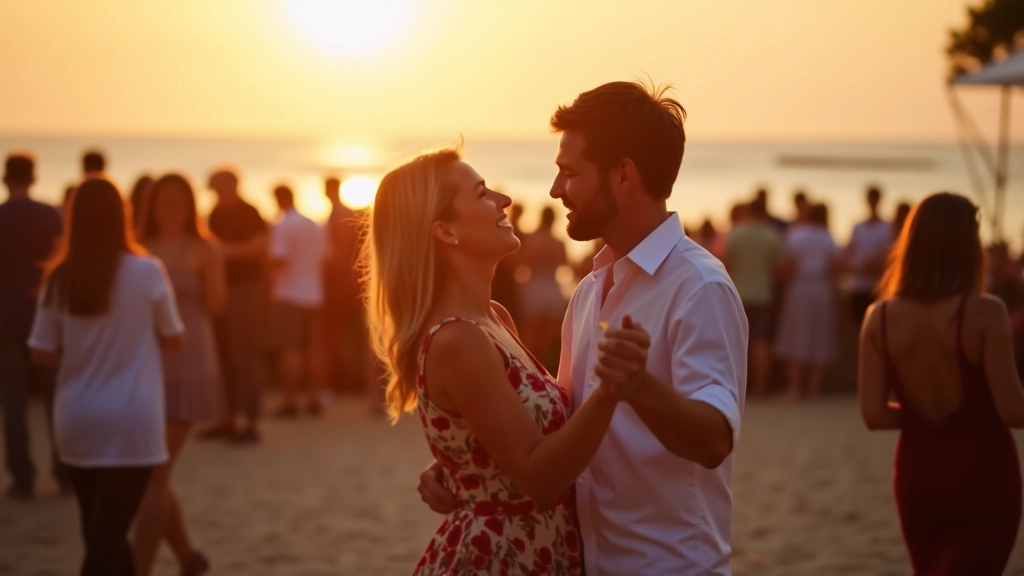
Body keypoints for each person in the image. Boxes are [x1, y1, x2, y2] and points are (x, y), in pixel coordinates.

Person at [419, 81, 748, 575]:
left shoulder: (698, 287)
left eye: (569, 173)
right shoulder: (591, 290)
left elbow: (714, 440)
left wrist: (637, 387)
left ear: (623, 175)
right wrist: (468, 457)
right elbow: (562, 421)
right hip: (585, 562)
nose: (555, 190)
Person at [365, 148, 641, 575]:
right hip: (499, 557)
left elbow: (504, 439)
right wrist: (610, 389)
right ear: (445, 231)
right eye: (481, 193)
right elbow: (538, 477)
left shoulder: (495, 319)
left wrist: (456, 466)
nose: (504, 200)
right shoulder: (459, 340)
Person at [859, 192, 1024, 575]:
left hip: (919, 477)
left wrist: (921, 420)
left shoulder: (878, 317)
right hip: (983, 473)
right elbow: (1013, 410)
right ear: (968, 246)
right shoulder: (985, 313)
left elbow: (874, 416)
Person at [28, 177, 185, 576]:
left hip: (77, 416)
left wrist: (82, 350)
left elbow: (41, 351)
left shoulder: (59, 277)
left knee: (98, 528)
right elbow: (174, 339)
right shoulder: (148, 271)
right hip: (132, 418)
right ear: (123, 217)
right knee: (107, 538)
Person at [133, 173, 225, 576]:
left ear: (190, 206)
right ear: (150, 206)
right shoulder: (138, 247)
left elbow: (216, 304)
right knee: (151, 472)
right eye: (162, 201)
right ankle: (188, 557)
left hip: (190, 357)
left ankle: (140, 568)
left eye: (178, 201)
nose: (170, 209)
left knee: (155, 472)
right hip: (145, 361)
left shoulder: (206, 248)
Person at [0, 152, 67, 499]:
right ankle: (64, 471)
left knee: (14, 401)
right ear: (35, 177)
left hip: (6, 317)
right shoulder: (50, 215)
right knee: (56, 397)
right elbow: (61, 260)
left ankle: (22, 476)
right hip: (46, 313)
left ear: (4, 178)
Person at [203, 169, 267, 444]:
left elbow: (259, 247)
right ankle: (227, 419)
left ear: (232, 185)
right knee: (223, 356)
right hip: (220, 291)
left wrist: (223, 251)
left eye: (219, 185)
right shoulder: (214, 214)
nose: (216, 191)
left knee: (245, 355)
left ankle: (251, 422)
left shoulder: (249, 212)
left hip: (246, 291)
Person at [268, 185, 329, 417]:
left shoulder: (283, 225)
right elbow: (326, 257)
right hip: (314, 294)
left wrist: (268, 278)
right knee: (314, 349)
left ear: (279, 198)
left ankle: (290, 401)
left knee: (290, 349)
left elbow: (279, 259)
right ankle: (315, 398)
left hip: (289, 294)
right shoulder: (313, 225)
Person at [775, 204, 839, 399]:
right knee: (819, 336)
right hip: (822, 289)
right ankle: (813, 389)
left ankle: (794, 387)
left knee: (796, 334)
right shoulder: (828, 237)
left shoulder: (796, 235)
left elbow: (789, 265)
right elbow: (834, 267)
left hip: (799, 288)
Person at [724, 195, 784, 397]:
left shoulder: (735, 234)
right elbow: (779, 270)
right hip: (763, 295)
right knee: (760, 342)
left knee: (736, 343)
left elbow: (725, 265)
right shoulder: (772, 236)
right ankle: (760, 389)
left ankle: (736, 389)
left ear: (749, 211)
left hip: (738, 295)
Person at [321, 176, 366, 393]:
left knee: (337, 335)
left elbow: (340, 252)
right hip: (349, 282)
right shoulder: (343, 213)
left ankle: (344, 383)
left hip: (342, 283)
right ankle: (351, 382)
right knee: (351, 337)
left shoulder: (340, 215)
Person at [518, 206, 569, 370]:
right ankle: (544, 369)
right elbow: (564, 264)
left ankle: (526, 366)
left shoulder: (532, 240)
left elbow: (522, 264)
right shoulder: (558, 243)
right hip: (552, 288)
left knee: (529, 333)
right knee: (549, 336)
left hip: (533, 286)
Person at [845, 185, 893, 328]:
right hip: (859, 287)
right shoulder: (858, 227)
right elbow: (849, 253)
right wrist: (860, 267)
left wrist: (874, 265)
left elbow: (890, 255)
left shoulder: (887, 228)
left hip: (879, 288)